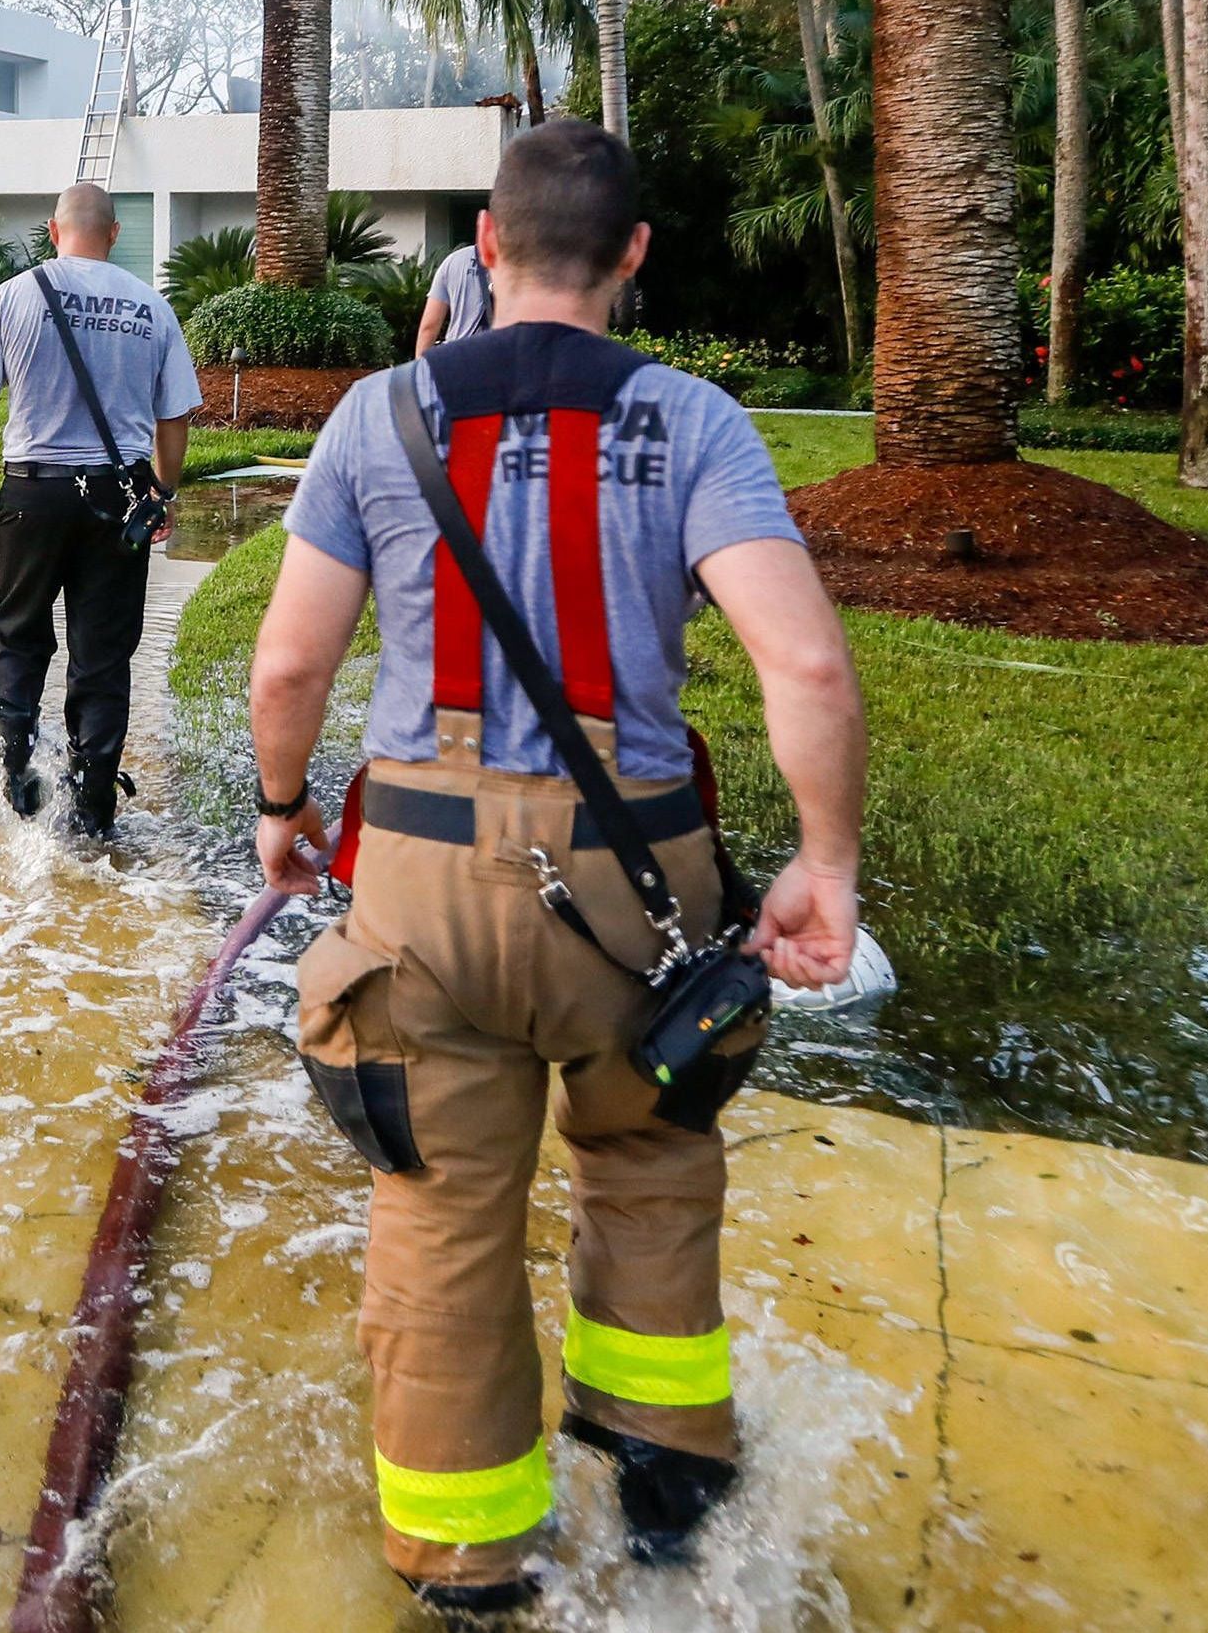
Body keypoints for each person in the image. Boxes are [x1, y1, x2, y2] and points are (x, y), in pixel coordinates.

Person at [246, 120, 866, 1623]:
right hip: (635, 887)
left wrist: (280, 809)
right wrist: (828, 862)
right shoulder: (697, 420)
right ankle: (667, 1503)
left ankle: (466, 1563)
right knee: (652, 1164)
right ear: (634, 255)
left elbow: (288, 660)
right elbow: (807, 662)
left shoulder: (378, 417)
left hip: (424, 884)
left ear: (485, 240)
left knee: (442, 1209)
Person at [0, 182, 203, 838]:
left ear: (54, 232)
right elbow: (173, 421)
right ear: (114, 234)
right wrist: (162, 494)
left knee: (21, 635)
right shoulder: (151, 308)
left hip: (33, 493)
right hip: (118, 501)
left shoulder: (13, 297)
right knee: (103, 652)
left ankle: (15, 782)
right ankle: (91, 812)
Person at [413, 240, 494, 356]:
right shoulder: (521, 263)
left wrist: (420, 371)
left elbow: (429, 327)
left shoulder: (453, 261)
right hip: (501, 361)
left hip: (456, 359)